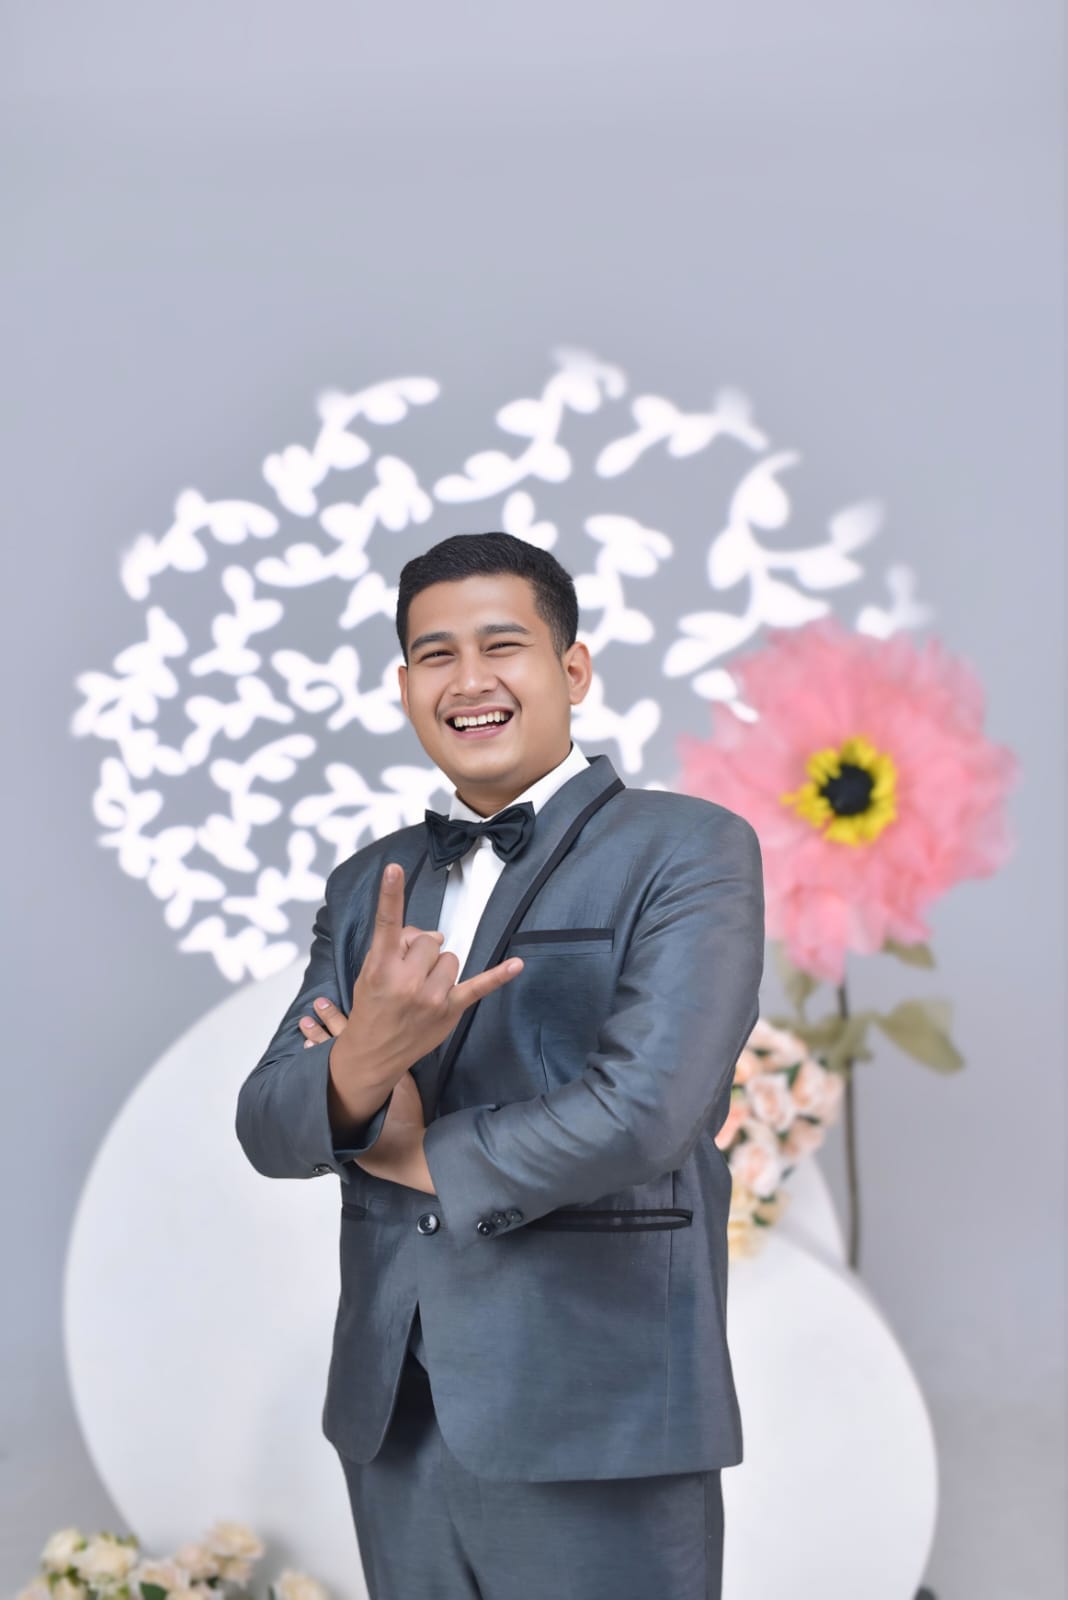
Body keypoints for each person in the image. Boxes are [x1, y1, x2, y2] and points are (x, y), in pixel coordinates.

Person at [235, 530, 765, 1599]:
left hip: (601, 1406)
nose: (468, 680)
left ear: (572, 669)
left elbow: (644, 1111)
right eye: (435, 655)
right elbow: (268, 1119)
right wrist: (362, 1066)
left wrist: (403, 1147)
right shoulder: (368, 880)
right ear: (404, 687)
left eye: (501, 645)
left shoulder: (691, 848)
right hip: (394, 1411)